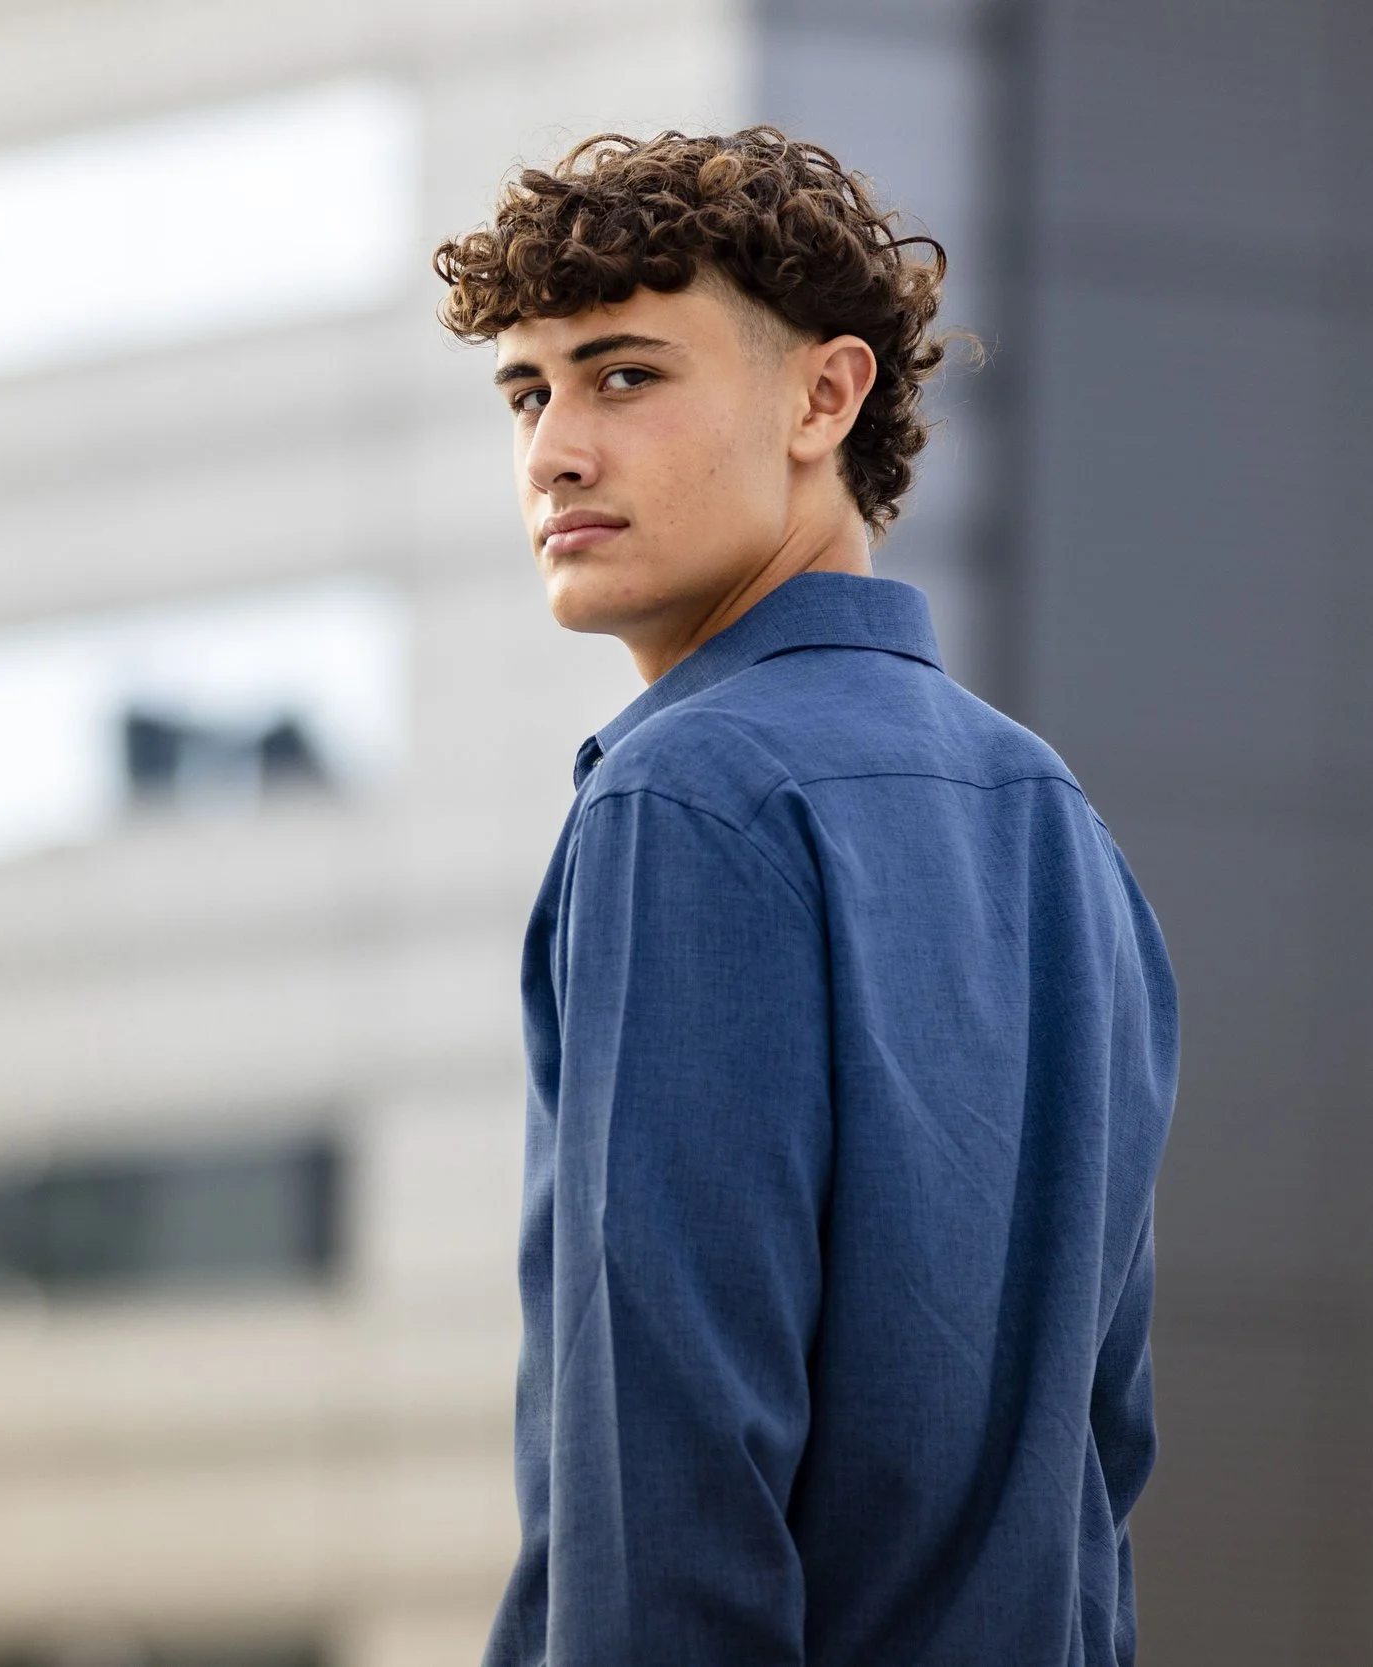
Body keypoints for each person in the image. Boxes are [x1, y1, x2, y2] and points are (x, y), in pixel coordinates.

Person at [433, 127, 1178, 1667]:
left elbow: (668, 1469)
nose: (556, 448)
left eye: (626, 374)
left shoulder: (682, 799)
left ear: (823, 398)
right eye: (530, 389)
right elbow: (1098, 1471)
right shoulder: (1061, 824)